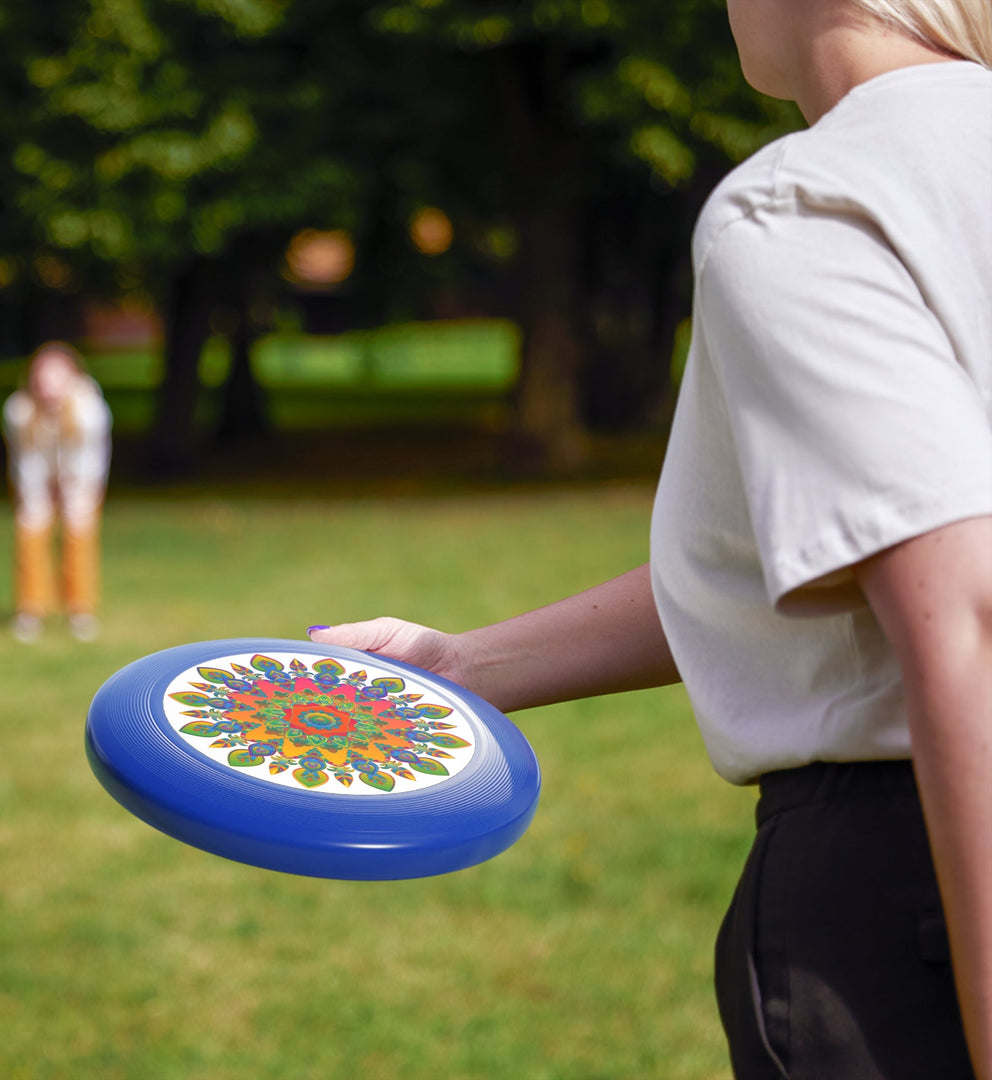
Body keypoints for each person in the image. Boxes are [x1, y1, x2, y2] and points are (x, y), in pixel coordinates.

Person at [307, 1, 992, 1076]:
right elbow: (821, 555)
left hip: (916, 889)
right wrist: (464, 667)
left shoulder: (812, 201)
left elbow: (966, 614)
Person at [3, 341, 112, 642]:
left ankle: (80, 610)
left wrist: (72, 492)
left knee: (79, 535)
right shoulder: (19, 410)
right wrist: (38, 495)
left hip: (80, 479)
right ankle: (30, 610)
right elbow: (26, 460)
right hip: (35, 478)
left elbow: (89, 460)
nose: (48, 385)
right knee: (30, 531)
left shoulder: (90, 410)